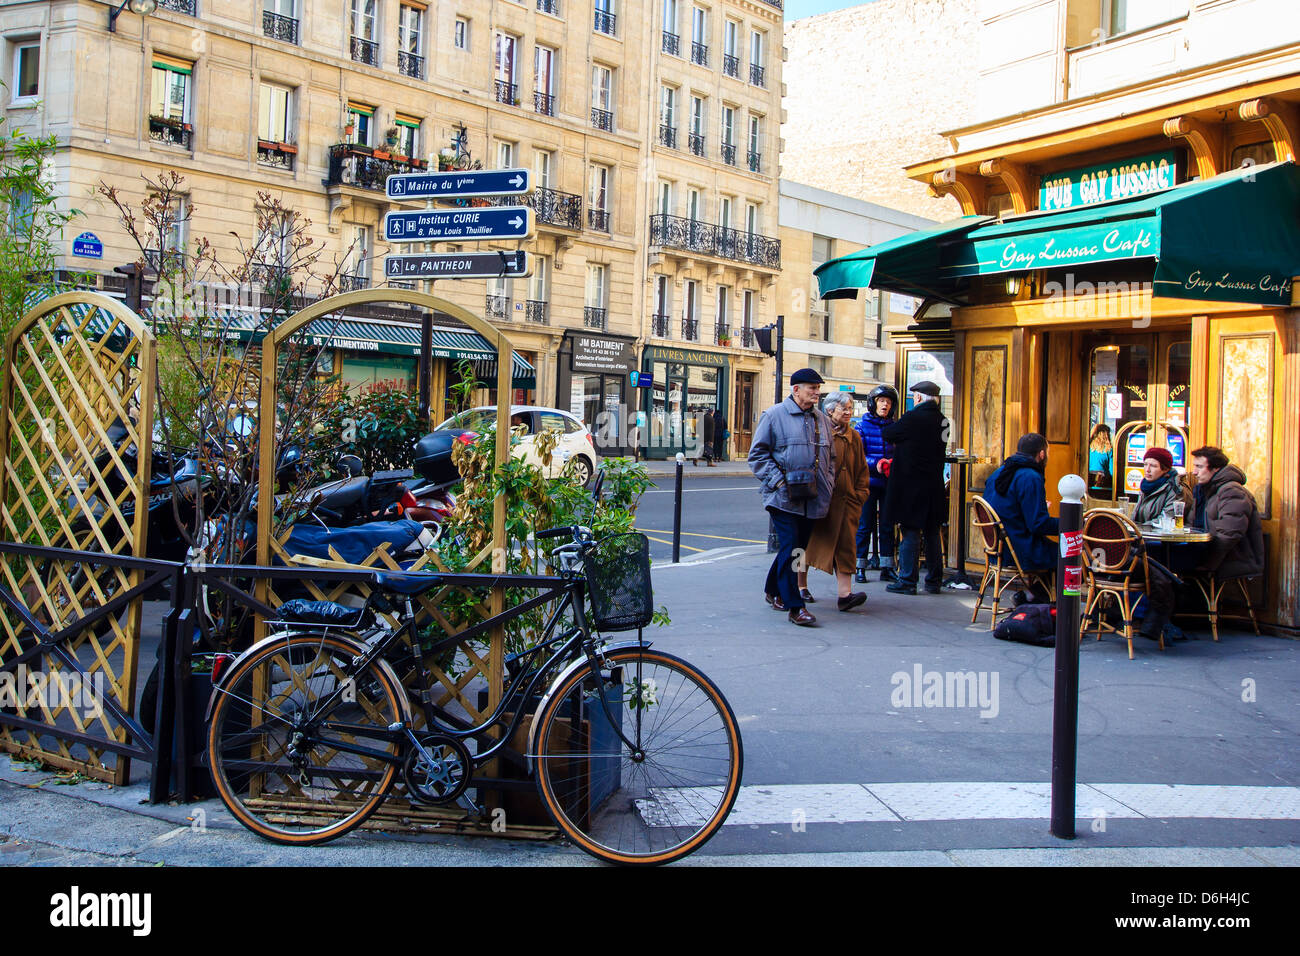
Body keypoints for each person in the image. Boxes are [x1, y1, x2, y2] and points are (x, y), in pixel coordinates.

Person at [748, 368, 836, 626]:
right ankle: (795, 606)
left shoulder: (822, 419)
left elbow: (831, 458)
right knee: (792, 547)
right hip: (783, 498)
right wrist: (778, 483)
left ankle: (772, 589)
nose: (817, 392)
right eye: (812, 388)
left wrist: (828, 482)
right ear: (796, 389)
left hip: (813, 497)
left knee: (796, 548)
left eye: (818, 388)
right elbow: (757, 456)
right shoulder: (774, 416)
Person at [797, 392, 871, 610]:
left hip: (847, 502)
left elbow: (861, 468)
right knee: (806, 545)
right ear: (830, 411)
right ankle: (800, 587)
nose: (849, 412)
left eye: (850, 408)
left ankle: (845, 595)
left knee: (846, 547)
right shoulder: (818, 431)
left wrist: (860, 494)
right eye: (844, 409)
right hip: (821, 502)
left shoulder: (854, 436)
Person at [881, 381, 948, 595]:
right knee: (932, 533)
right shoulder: (944, 421)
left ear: (918, 398)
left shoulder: (912, 418)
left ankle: (908, 580)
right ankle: (934, 581)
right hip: (934, 486)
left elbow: (888, 434)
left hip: (911, 487)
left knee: (910, 531)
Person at [981, 433, 1059, 580]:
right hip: (1018, 550)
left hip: (997, 549)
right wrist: (1071, 524)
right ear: (1042, 454)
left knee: (1052, 549)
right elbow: (1038, 525)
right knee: (1069, 553)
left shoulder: (999, 472)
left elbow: (1009, 508)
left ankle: (1033, 597)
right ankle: (1043, 599)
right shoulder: (1031, 477)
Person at [1189, 446, 1264, 580]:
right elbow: (1192, 525)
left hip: (1233, 560)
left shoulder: (1231, 491)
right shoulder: (1204, 490)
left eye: (1199, 467)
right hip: (1208, 554)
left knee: (1171, 570)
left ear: (1216, 468)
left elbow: (1229, 534)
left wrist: (1208, 564)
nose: (1194, 472)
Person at [854, 384, 898, 582]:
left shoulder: (894, 426)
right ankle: (859, 566)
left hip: (889, 483)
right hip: (869, 482)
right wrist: (876, 463)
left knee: (887, 526)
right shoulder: (862, 427)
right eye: (881, 401)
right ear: (873, 403)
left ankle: (887, 567)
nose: (885, 405)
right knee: (865, 525)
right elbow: (858, 456)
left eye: (888, 402)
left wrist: (892, 463)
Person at [1133, 447, 1191, 525]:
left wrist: (1137, 528)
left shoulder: (1176, 489)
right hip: (1143, 534)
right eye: (1145, 464)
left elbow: (1166, 521)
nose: (1147, 469)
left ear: (1165, 469)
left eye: (1153, 466)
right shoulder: (1146, 485)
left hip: (1161, 536)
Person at [1087, 423, 1114, 497]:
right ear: (1107, 436)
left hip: (1088, 481)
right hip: (1103, 484)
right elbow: (1112, 471)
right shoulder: (1108, 450)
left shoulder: (1088, 448)